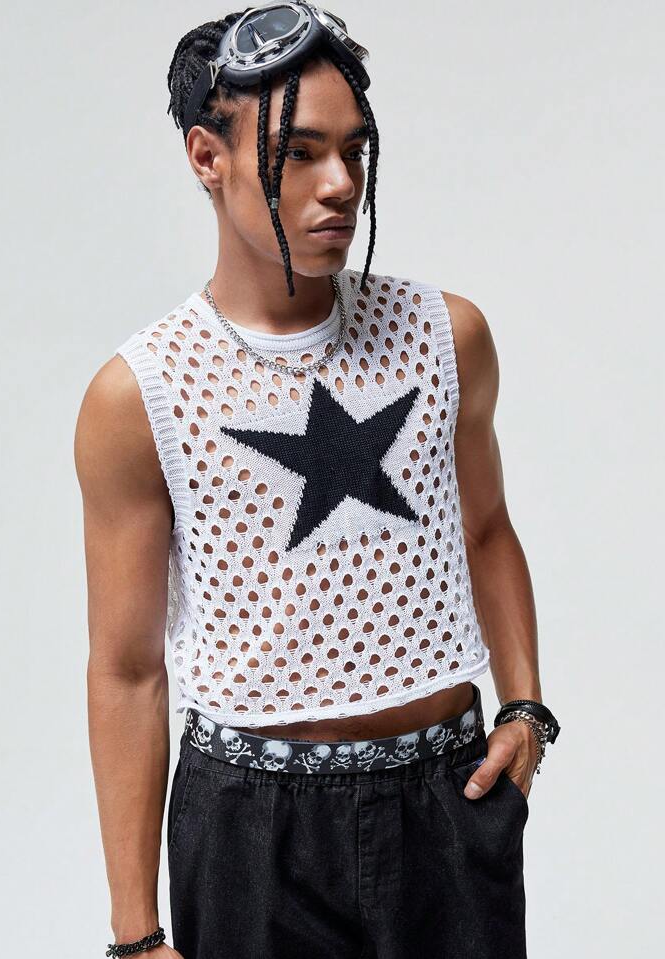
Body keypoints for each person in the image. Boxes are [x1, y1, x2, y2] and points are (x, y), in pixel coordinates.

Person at [75, 5, 560, 958]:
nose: (340, 183)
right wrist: (136, 933)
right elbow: (126, 669)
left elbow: (487, 528)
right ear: (207, 157)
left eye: (354, 150)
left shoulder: (446, 335)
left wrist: (525, 708)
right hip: (252, 828)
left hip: (446, 796)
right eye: (299, 153)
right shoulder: (141, 395)